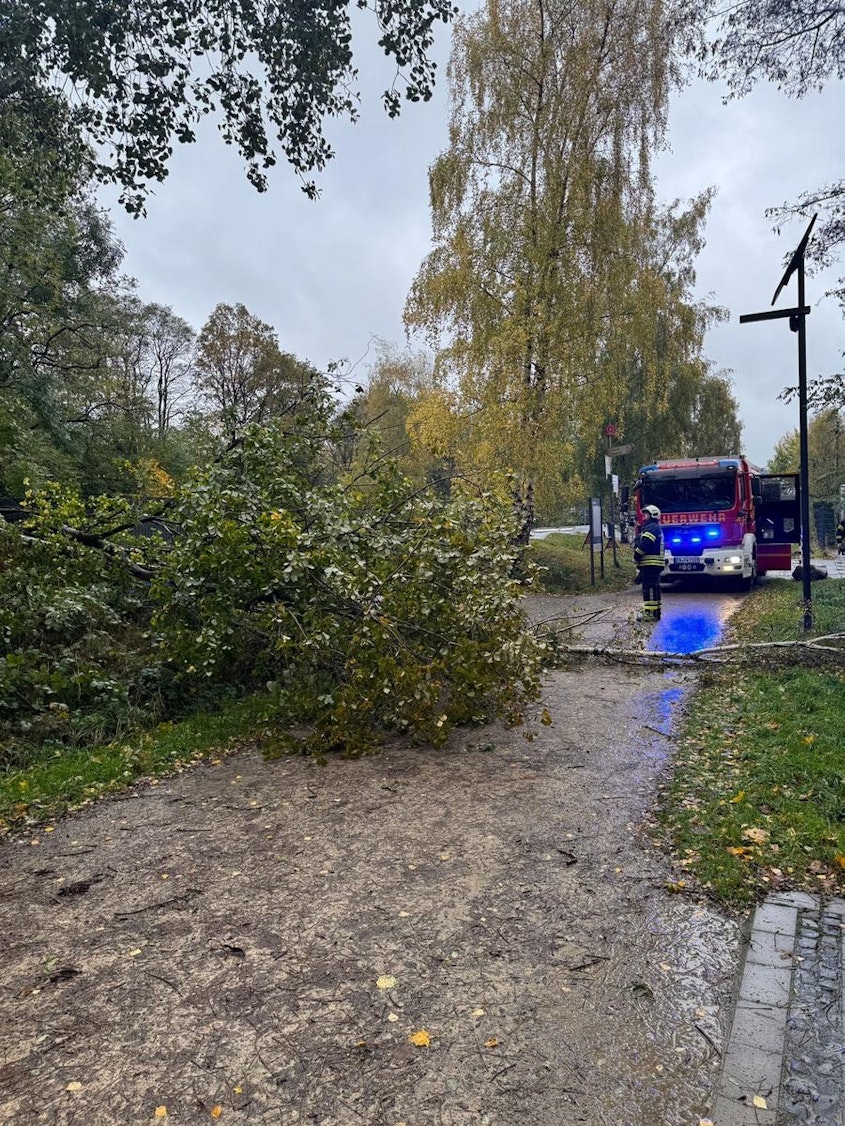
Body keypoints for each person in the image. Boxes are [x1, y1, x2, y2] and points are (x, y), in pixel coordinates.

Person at [633, 504, 665, 621]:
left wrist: (637, 555)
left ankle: (650, 614)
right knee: (654, 588)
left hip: (650, 564)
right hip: (653, 564)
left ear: (652, 515)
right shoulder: (654, 527)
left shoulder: (651, 527)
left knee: (649, 588)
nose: (644, 516)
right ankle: (655, 613)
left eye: (646, 514)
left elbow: (645, 543)